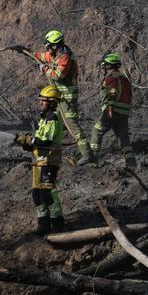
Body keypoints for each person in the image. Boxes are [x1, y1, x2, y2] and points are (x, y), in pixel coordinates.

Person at [8, 30, 92, 165]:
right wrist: (23, 50)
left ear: (54, 45)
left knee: (72, 126)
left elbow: (58, 75)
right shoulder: (55, 54)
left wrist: (44, 69)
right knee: (52, 122)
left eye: (48, 46)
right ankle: (44, 149)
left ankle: (88, 154)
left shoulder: (65, 56)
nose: (46, 49)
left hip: (66, 98)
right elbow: (39, 56)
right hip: (59, 96)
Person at [14, 85, 65, 235]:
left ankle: (57, 224)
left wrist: (29, 140)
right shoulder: (44, 119)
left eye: (43, 101)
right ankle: (43, 225)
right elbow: (37, 143)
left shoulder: (53, 119)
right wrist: (26, 144)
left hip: (49, 162)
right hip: (38, 162)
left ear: (52, 102)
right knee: (37, 194)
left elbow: (44, 142)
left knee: (47, 194)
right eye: (40, 101)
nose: (40, 103)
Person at [90, 53, 136, 169]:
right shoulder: (124, 78)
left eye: (104, 66)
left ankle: (93, 159)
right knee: (123, 138)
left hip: (113, 110)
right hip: (124, 113)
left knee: (97, 131)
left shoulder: (111, 78)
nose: (103, 68)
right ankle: (132, 163)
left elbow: (112, 92)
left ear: (108, 66)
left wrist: (109, 106)